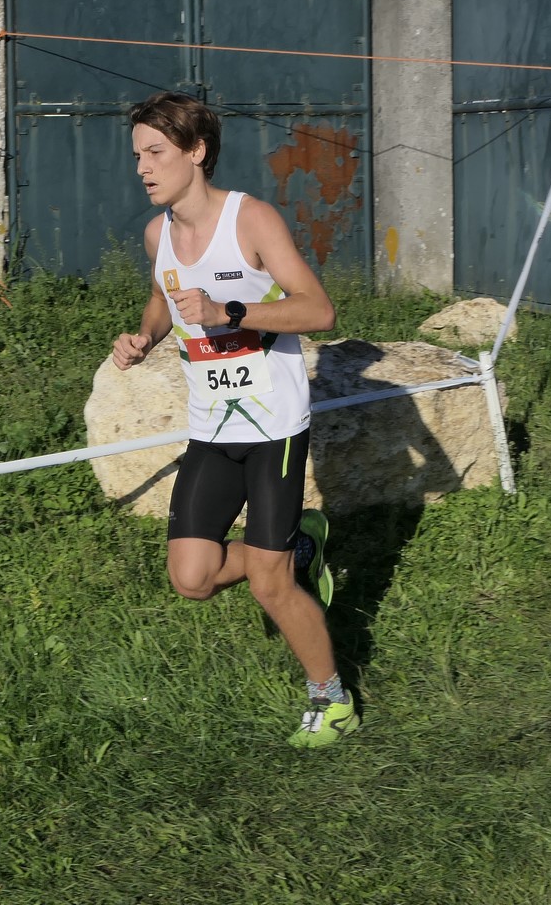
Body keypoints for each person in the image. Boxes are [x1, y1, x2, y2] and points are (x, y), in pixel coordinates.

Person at [110, 90, 355, 749]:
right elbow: (163, 296)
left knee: (271, 588)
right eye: (137, 156)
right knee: (191, 578)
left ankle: (331, 698)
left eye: (155, 152)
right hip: (212, 429)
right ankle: (299, 547)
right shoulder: (158, 234)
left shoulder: (251, 220)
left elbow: (318, 310)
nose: (143, 168)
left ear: (197, 152)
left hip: (274, 429)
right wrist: (145, 337)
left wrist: (230, 313)